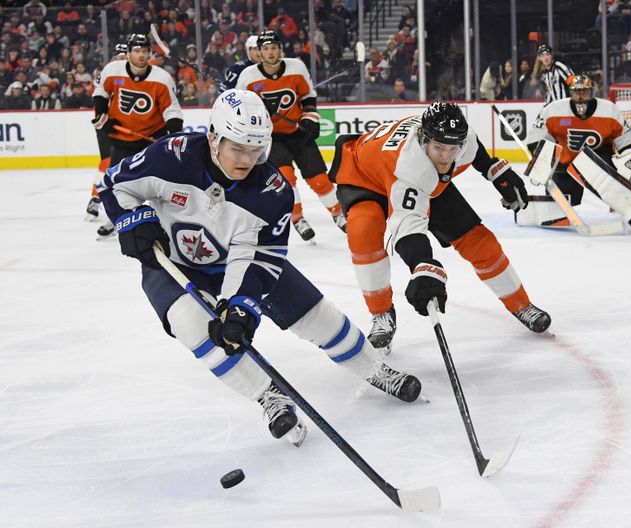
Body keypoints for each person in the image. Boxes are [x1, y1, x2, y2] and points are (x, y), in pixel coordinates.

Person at [97, 89, 423, 447]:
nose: (247, 159)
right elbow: (114, 184)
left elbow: (258, 259)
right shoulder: (170, 157)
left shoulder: (272, 191)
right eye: (238, 148)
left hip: (239, 262)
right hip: (172, 262)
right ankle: (268, 395)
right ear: (213, 138)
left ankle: (373, 368)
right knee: (193, 326)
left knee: (316, 314)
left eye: (256, 149)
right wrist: (131, 220)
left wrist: (240, 306)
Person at [330, 101, 552, 353]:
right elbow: (408, 226)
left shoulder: (460, 139)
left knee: (479, 241)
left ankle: (521, 305)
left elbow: (474, 148)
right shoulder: (411, 166)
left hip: (419, 179)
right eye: (438, 148)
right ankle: (381, 314)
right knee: (363, 233)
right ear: (424, 139)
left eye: (452, 149)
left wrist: (494, 171)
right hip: (364, 177)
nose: (446, 157)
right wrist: (423, 266)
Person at [237, 29, 346, 242]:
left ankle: (338, 213)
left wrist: (309, 121)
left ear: (280, 49)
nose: (270, 53)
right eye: (266, 49)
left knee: (320, 180)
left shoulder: (296, 67)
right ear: (259, 52)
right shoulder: (248, 77)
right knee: (286, 180)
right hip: (271, 138)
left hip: (297, 133)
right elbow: (241, 107)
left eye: (274, 48)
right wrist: (259, 109)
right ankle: (297, 218)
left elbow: (308, 97)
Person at [526, 74, 631, 230]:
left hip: (600, 164)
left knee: (618, 191)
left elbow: (626, 137)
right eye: (576, 92)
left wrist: (630, 157)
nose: (580, 96)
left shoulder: (608, 110)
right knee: (555, 214)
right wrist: (541, 162)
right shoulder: (553, 110)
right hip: (566, 166)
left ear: (591, 92)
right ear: (570, 93)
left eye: (584, 92)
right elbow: (535, 138)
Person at [91, 34, 184, 238]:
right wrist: (102, 116)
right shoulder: (112, 70)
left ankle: (167, 220)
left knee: (158, 184)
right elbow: (101, 93)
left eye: (144, 51)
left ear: (149, 53)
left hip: (151, 140)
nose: (141, 55)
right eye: (136, 51)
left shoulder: (161, 78)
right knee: (117, 183)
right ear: (129, 53)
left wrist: (173, 135)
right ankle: (116, 219)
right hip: (122, 140)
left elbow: (172, 110)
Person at [85, 43, 128, 221]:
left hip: (126, 125)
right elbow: (99, 98)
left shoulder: (137, 76)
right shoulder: (108, 74)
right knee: (107, 162)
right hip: (106, 125)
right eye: (120, 57)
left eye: (126, 56)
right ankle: (96, 198)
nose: (123, 60)